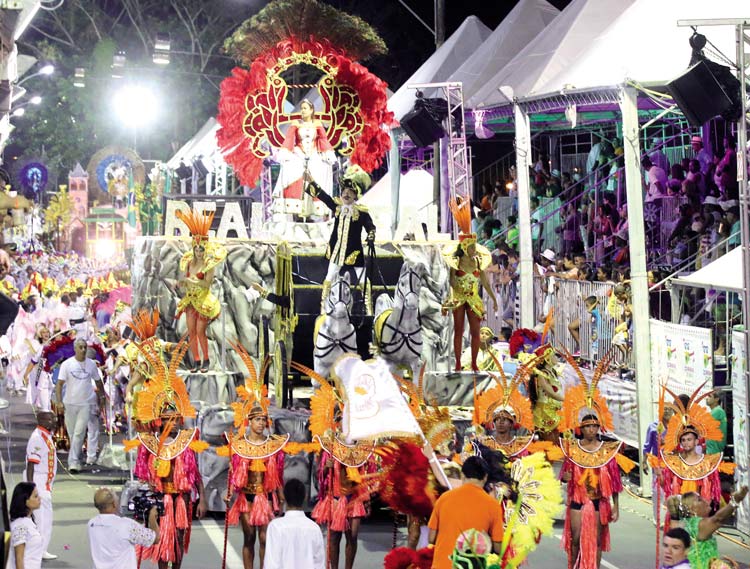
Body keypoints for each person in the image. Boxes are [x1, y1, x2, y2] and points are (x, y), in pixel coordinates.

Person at [128, 339, 208, 569]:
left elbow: (195, 473)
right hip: (161, 498)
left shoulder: (186, 441)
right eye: (166, 419)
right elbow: (143, 474)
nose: (171, 423)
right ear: (159, 420)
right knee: (163, 541)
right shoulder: (151, 443)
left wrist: (201, 498)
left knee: (179, 541)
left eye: (174, 419)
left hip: (182, 498)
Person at [559, 355, 636, 569]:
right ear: (581, 429)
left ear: (599, 428)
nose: (591, 430)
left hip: (598, 502)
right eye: (587, 427)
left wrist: (616, 507)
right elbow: (564, 477)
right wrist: (564, 478)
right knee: (575, 541)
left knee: (598, 542)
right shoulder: (572, 450)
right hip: (577, 502)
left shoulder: (607, 452)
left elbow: (615, 483)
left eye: (594, 427)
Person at [222, 344, 288, 569]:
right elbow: (233, 473)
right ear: (249, 421)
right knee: (249, 538)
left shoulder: (272, 445)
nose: (261, 423)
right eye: (257, 420)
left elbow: (277, 475)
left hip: (266, 497)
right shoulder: (239, 445)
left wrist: (281, 498)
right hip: (246, 498)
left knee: (264, 538)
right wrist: (229, 493)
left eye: (264, 421)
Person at [304, 165, 375, 313]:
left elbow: (370, 226)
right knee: (329, 277)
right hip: (337, 251)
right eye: (344, 191)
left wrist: (371, 235)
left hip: (354, 253)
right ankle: (323, 307)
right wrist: (311, 180)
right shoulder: (336, 206)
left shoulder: (361, 212)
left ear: (356, 195)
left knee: (363, 280)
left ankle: (369, 309)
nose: (346, 194)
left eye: (350, 192)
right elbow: (323, 196)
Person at [441, 197, 497, 371]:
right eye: (472, 247)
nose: (475, 249)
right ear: (465, 248)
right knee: (458, 331)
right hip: (458, 298)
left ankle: (473, 363)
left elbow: (486, 284)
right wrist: (455, 288)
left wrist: (494, 300)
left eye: (475, 246)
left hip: (473, 299)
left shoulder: (479, 263)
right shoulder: (455, 263)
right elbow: (451, 280)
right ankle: (458, 363)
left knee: (475, 332)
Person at [427, 456, 504, 569]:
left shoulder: (444, 498)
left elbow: (431, 538)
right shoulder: (493, 505)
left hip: (442, 565)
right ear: (485, 477)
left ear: (462, 475)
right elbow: (498, 548)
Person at [175, 208, 227, 372]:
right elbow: (187, 280)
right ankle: (196, 361)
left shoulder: (208, 265)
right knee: (191, 331)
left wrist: (194, 281)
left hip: (204, 301)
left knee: (200, 331)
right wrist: (182, 283)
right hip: (190, 300)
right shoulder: (189, 263)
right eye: (196, 249)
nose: (198, 252)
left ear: (205, 248)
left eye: (201, 249)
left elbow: (206, 284)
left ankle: (206, 360)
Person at [274, 98, 336, 217]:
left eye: (305, 108)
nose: (302, 111)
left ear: (311, 110)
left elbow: (323, 139)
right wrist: (285, 153)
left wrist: (328, 154)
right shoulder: (296, 124)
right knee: (291, 172)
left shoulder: (317, 124)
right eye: (301, 108)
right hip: (298, 153)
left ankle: (316, 209)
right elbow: (289, 139)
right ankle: (295, 209)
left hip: (313, 154)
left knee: (318, 175)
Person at [55, 338, 106, 473]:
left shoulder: (91, 365)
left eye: (85, 347)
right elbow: (59, 384)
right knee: (73, 434)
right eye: (81, 347)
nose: (83, 350)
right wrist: (59, 401)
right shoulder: (67, 364)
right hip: (69, 403)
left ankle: (73, 462)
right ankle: (76, 458)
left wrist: (102, 397)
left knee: (79, 433)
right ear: (75, 349)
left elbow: (98, 382)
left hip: (85, 403)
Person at [666, 486, 748, 569]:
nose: (706, 500)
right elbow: (718, 519)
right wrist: (735, 501)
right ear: (692, 509)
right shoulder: (697, 525)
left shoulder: (685, 524)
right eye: (699, 499)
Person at [88, 487, 160, 569]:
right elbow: (155, 538)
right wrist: (152, 518)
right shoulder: (126, 525)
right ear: (114, 504)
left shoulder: (92, 524)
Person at [263, 479, 324, 569]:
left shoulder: (275, 526)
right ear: (304, 497)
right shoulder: (314, 528)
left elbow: (271, 564)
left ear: (284, 496)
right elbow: (319, 564)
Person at [24, 411, 57, 561]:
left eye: (54, 418)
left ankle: (41, 549)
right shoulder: (37, 438)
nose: (53, 421)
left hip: (44, 482)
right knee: (42, 519)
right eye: (50, 419)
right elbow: (31, 464)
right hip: (38, 481)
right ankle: (38, 550)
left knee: (45, 518)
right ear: (41, 420)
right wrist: (32, 489)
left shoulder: (46, 434)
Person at [8, 482, 43, 569]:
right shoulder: (20, 525)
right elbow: (19, 559)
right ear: (25, 501)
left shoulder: (28, 521)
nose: (39, 498)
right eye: (35, 496)